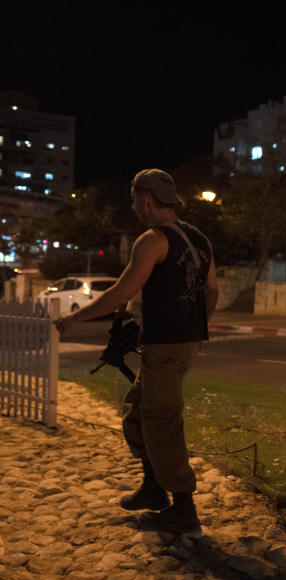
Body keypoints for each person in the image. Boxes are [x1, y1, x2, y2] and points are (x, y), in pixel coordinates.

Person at [57, 168, 218, 536]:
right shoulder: (199, 238)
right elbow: (211, 291)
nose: (133, 207)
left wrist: (75, 319)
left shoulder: (152, 240)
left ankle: (184, 511)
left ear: (146, 198)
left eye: (133, 199)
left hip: (165, 347)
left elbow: (120, 291)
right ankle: (153, 488)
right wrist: (197, 330)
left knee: (162, 421)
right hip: (175, 345)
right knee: (137, 413)